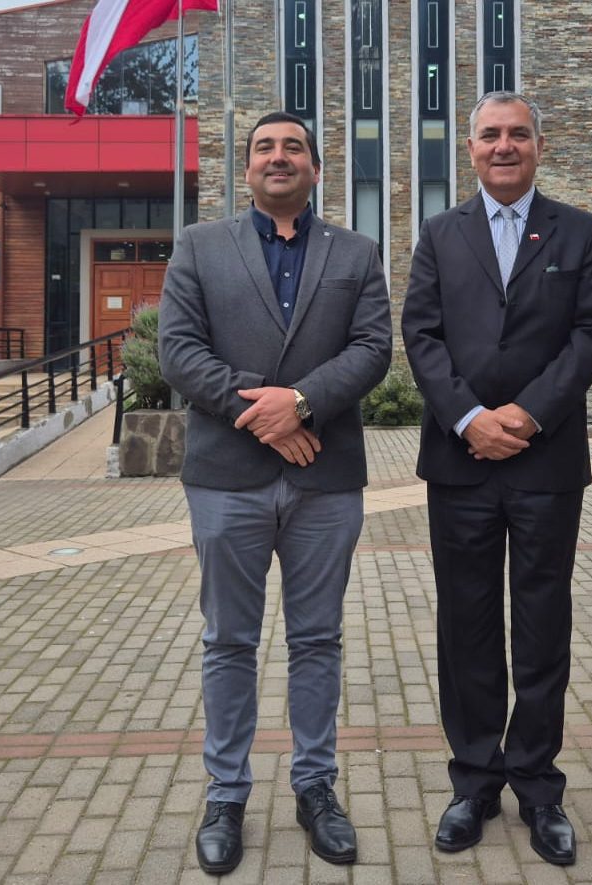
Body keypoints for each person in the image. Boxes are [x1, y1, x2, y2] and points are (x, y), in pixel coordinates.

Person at [158, 110, 392, 876]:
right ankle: (226, 794)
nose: (279, 156)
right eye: (265, 147)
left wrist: (302, 403)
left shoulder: (356, 252)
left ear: (316, 169)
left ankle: (315, 787)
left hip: (327, 477)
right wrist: (265, 412)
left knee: (317, 640)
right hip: (227, 478)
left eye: (294, 147)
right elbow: (178, 350)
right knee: (229, 640)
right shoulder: (199, 246)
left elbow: (373, 349)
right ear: (248, 168)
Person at [401, 91, 592, 867]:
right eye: (489, 134)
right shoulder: (439, 233)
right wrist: (469, 419)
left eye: (517, 134)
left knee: (541, 622)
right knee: (466, 624)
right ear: (470, 149)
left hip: (545, 461)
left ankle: (537, 783)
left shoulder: (579, 230)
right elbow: (421, 333)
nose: (503, 145)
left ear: (539, 146)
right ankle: (474, 780)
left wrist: (526, 414)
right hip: (460, 463)